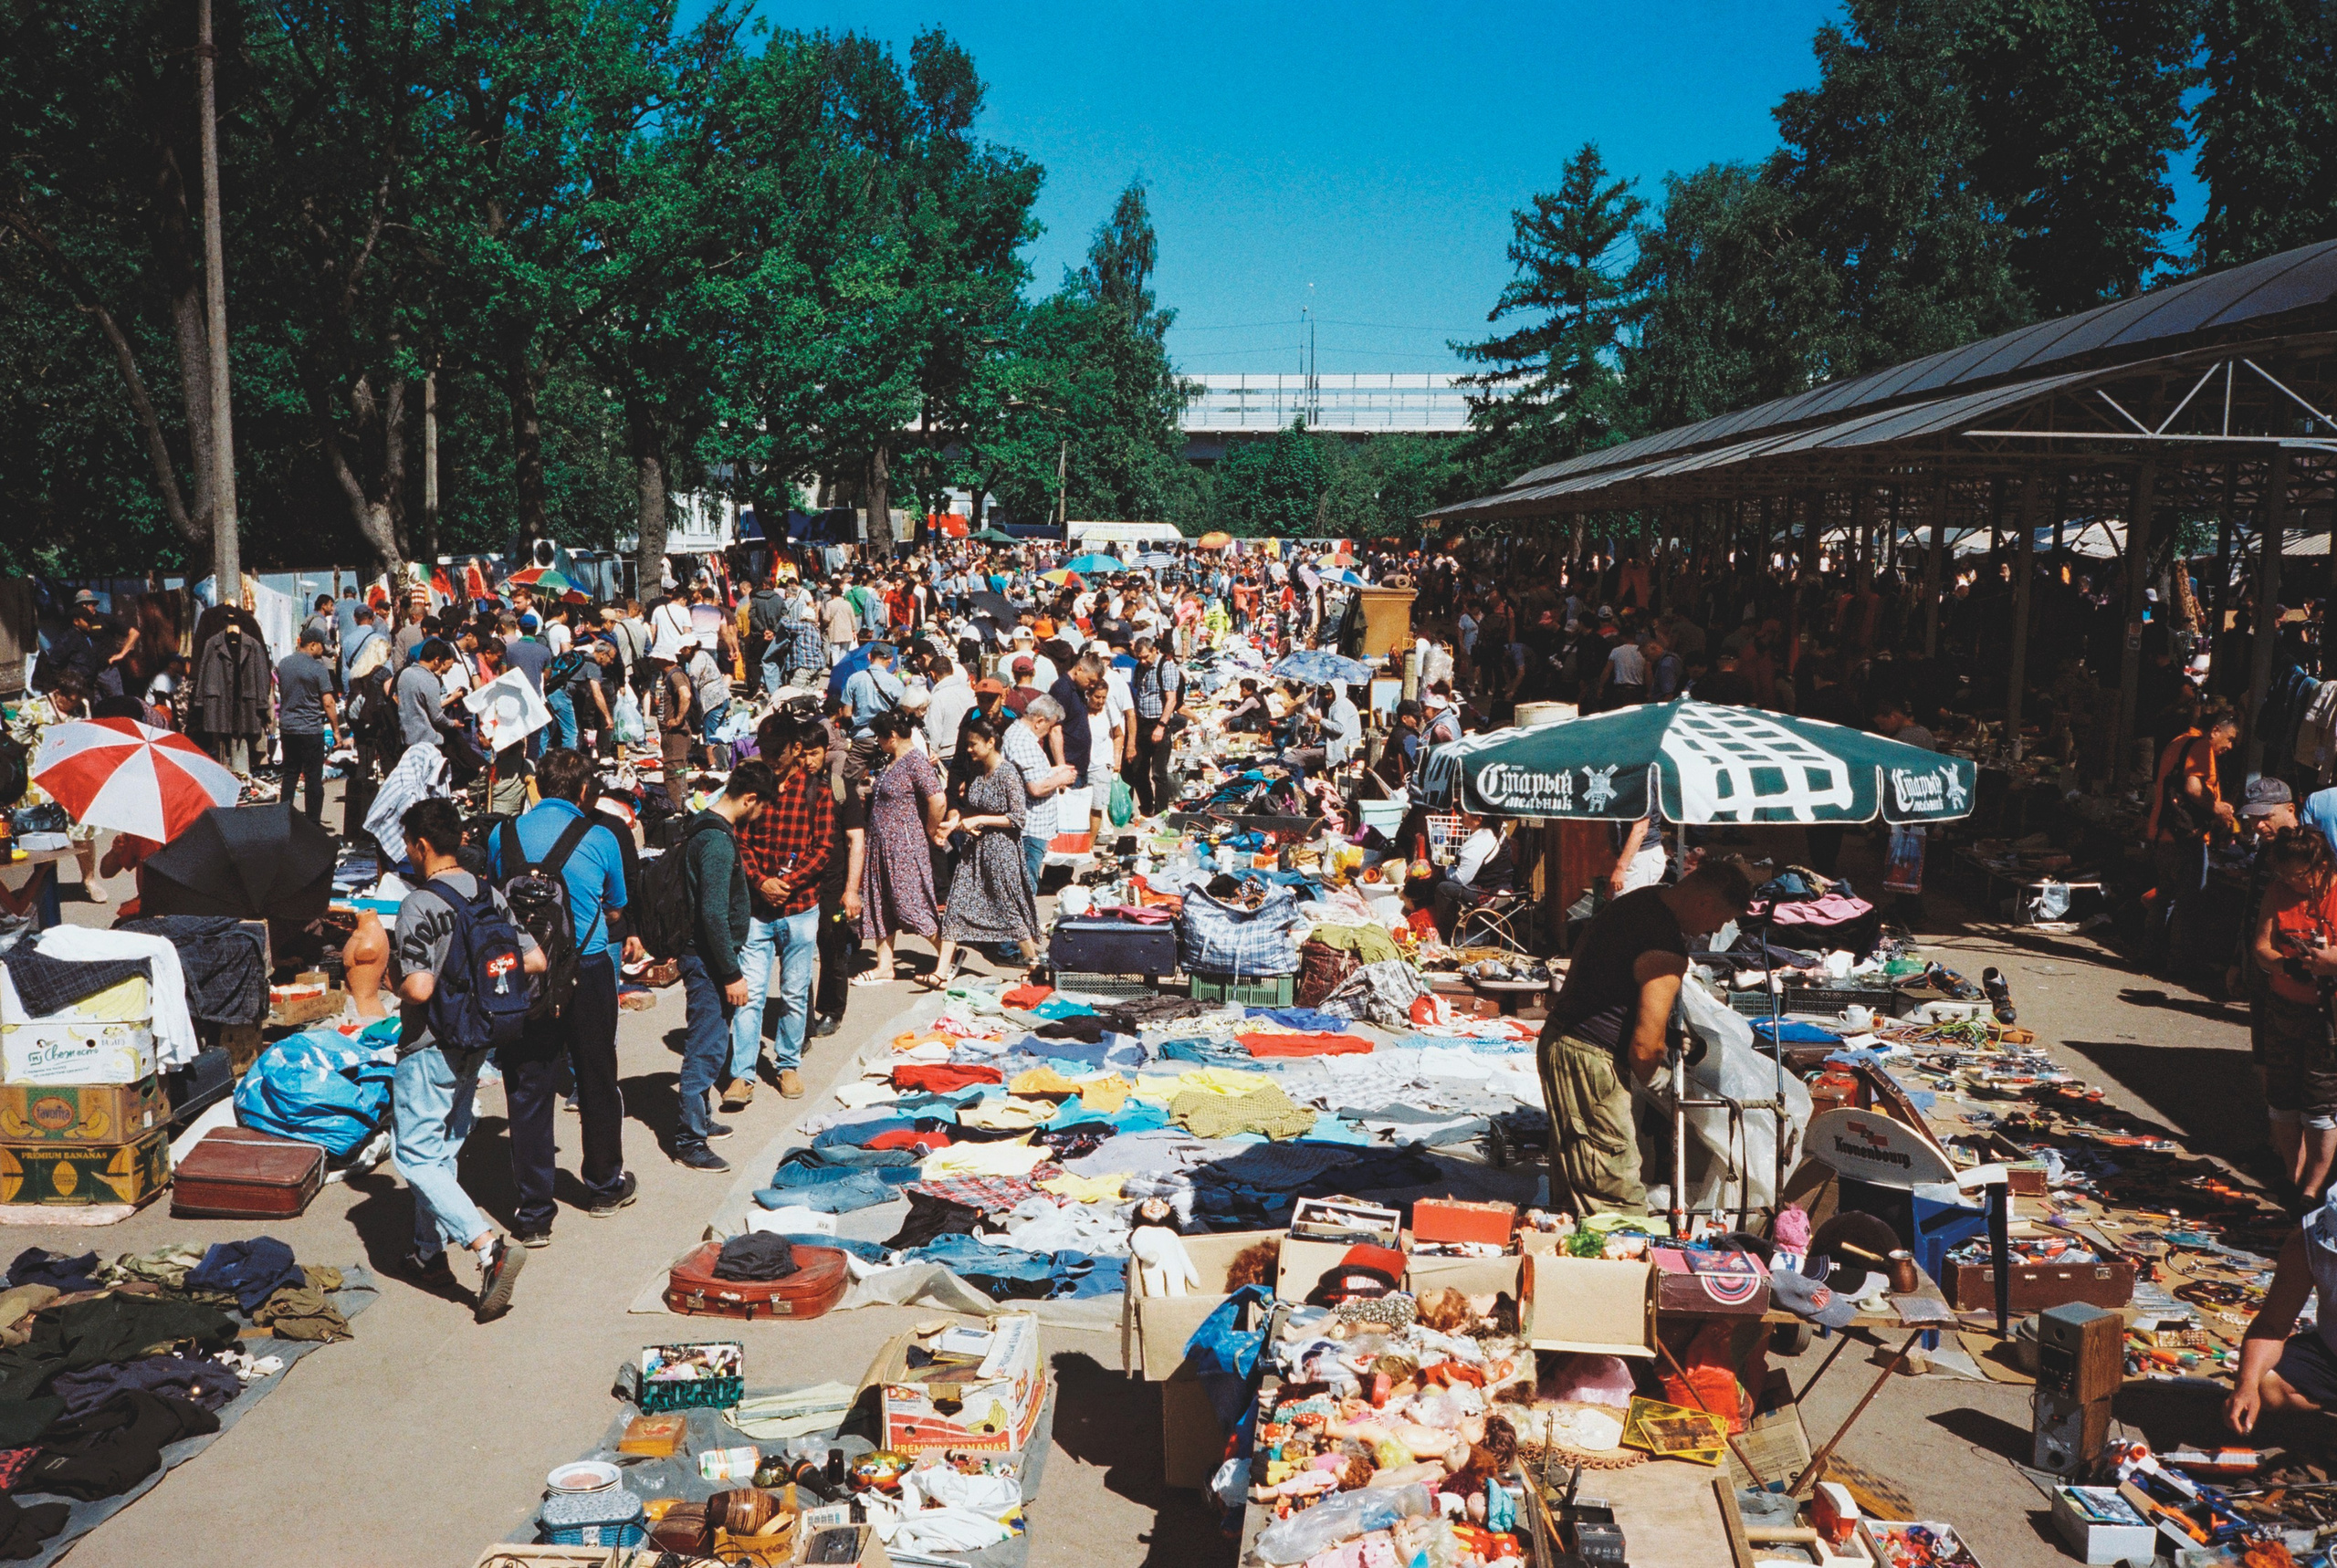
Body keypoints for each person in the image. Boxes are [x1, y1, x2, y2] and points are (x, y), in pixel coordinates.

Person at [387, 798, 541, 1320]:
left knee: (413, 1154)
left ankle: (485, 1247)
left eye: (408, 845)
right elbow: (534, 958)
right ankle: (428, 1254)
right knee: (443, 1148)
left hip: (431, 1045)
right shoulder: (489, 894)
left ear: (422, 846)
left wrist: (391, 978)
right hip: (479, 1038)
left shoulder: (419, 904)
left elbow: (420, 986)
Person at [1536, 856, 1755, 1216]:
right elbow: (1643, 1049)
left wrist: (1668, 1039)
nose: (1714, 931)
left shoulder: (1642, 901)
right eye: (1720, 920)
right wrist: (1667, 1085)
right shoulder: (1665, 946)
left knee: (1578, 1187)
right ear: (1704, 902)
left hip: (1564, 1042)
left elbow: (1617, 988)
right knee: (1615, 1196)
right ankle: (1622, 1268)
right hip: (1590, 1060)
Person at [488, 747, 642, 1246]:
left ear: (537, 788)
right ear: (583, 792)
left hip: (524, 970)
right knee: (596, 1076)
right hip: (588, 967)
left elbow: (495, 892)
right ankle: (603, 1186)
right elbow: (616, 905)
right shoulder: (601, 836)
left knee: (527, 1086)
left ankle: (533, 1213)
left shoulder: (502, 834)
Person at [673, 760, 773, 1174]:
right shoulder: (717, 842)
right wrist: (732, 973)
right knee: (707, 1047)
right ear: (750, 799)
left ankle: (700, 1119)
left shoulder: (707, 826)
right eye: (762, 807)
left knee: (711, 1041)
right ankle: (688, 1139)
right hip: (709, 962)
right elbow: (713, 914)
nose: (761, 815)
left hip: (708, 958)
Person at [728, 714, 834, 1105]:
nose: (771, 758)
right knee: (750, 995)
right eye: (765, 750)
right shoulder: (752, 788)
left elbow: (823, 849)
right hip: (758, 910)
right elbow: (739, 840)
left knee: (793, 993)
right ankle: (742, 1074)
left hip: (801, 908)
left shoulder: (817, 792)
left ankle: (787, 1064)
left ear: (796, 750)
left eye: (778, 751)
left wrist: (787, 883)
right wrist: (761, 882)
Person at [924, 716, 1043, 987]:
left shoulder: (1008, 773)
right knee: (956, 906)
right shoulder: (978, 773)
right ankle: (941, 972)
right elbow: (973, 808)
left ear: (991, 743)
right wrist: (953, 823)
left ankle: (1034, 964)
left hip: (1001, 852)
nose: (969, 750)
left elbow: (1017, 818)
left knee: (1009, 908)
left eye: (973, 744)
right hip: (974, 852)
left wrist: (980, 821)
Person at [2252, 827, 2337, 1207]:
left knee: (2320, 1102)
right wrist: (2285, 965)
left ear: (2321, 867)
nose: (2291, 882)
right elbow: (2261, 948)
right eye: (2284, 875)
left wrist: (2329, 962)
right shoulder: (2278, 892)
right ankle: (2292, 1174)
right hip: (2285, 1007)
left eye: (2299, 875)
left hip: (2328, 1014)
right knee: (2283, 1097)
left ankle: (2312, 1189)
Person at [2223, 1188, 2337, 1436]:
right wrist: (2246, 1385)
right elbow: (2272, 1326)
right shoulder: (2307, 1240)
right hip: (2331, 1350)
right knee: (2265, 1384)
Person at [854, 712, 948, 987]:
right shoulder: (893, 761)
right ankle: (884, 964)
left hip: (904, 846)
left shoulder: (915, 761)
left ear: (892, 737)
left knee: (911, 904)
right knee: (879, 904)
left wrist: (930, 831)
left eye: (880, 738)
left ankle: (946, 955)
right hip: (881, 844)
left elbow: (938, 800)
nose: (878, 743)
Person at [2147, 700, 2239, 968]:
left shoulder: (2178, 741)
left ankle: (2149, 954)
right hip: (2186, 837)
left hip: (2162, 832)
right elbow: (2192, 787)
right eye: (2229, 739)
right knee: (2189, 902)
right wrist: (2218, 808)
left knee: (2164, 897)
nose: (2229, 747)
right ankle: (2179, 961)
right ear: (2214, 730)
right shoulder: (2199, 747)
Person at [1003, 696, 1075, 893]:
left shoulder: (1018, 735)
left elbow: (1029, 775)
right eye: (1049, 726)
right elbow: (1035, 788)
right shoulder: (1023, 742)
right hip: (1030, 827)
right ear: (1039, 721)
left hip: (1032, 826)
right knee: (1027, 883)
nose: (1048, 732)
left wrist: (1056, 770)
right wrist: (1061, 779)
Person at [276, 627, 338, 827]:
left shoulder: (283, 664)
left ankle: (283, 818)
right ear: (312, 645)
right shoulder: (318, 669)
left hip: (288, 728)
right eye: (321, 645)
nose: (323, 650)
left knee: (290, 774)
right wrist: (336, 730)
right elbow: (328, 702)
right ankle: (313, 822)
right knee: (313, 778)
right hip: (310, 729)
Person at [1129, 635, 1184, 814]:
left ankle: (1161, 812)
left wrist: (1161, 726)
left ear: (1154, 651)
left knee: (1158, 773)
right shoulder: (1139, 668)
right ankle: (1146, 807)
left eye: (1146, 657)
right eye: (1140, 658)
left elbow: (1171, 700)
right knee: (1138, 770)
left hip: (1158, 723)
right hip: (1141, 722)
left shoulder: (1166, 667)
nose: (1143, 661)